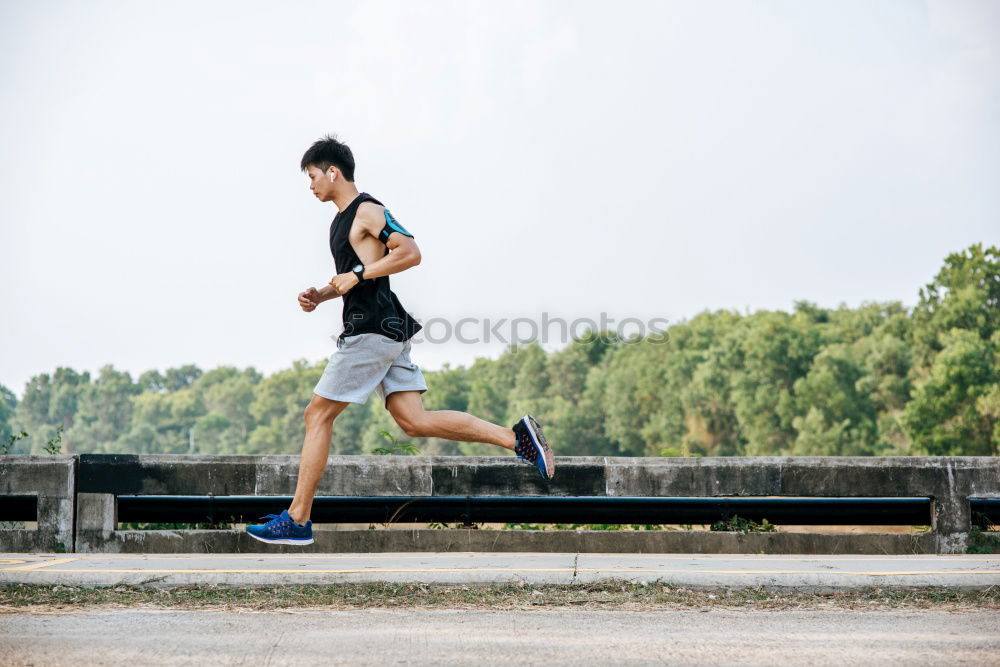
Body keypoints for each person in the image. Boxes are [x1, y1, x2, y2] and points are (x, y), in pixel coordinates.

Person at [246, 134, 554, 545]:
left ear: (332, 171)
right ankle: (516, 439)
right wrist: (322, 294)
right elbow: (364, 271)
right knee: (414, 421)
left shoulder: (367, 210)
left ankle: (297, 520)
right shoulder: (341, 220)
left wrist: (355, 277)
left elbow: (409, 252)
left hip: (371, 329)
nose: (311, 185)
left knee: (316, 416)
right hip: (386, 329)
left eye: (313, 175)